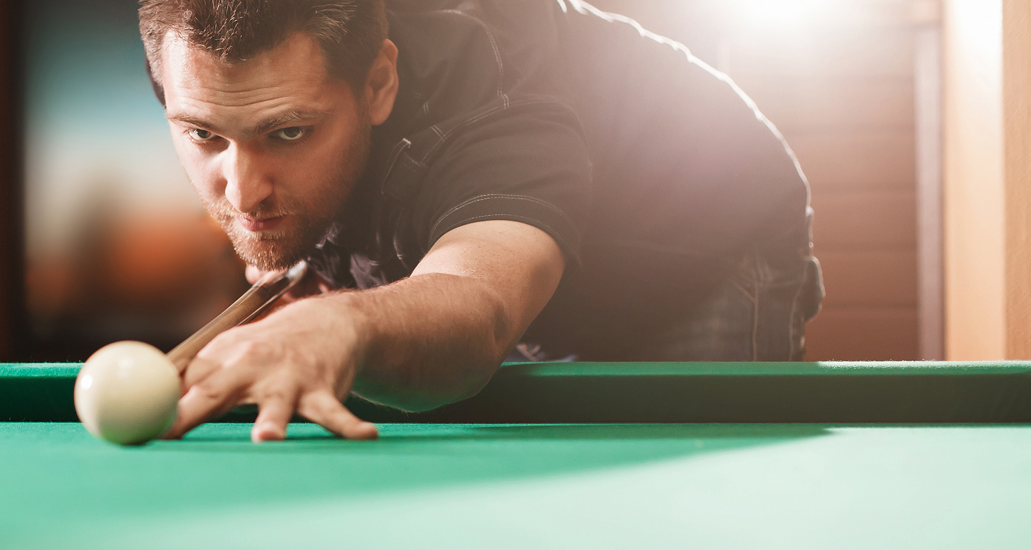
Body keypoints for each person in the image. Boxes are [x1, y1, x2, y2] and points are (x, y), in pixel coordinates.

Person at [140, 0, 823, 442]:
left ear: (379, 86)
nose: (243, 190)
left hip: (702, 239)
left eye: (287, 134)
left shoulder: (490, 102)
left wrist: (340, 320)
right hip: (561, 253)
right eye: (203, 135)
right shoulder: (261, 97)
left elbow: (479, 304)